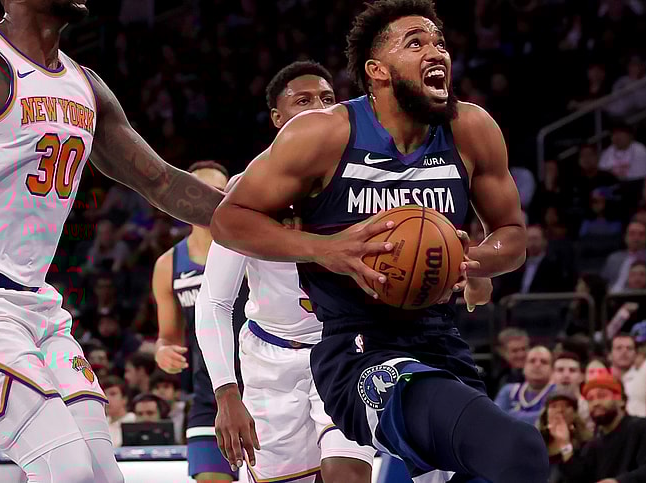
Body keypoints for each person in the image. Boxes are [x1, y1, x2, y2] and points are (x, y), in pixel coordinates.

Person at [0, 1, 224, 481]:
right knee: (66, 470)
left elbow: (160, 183)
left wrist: (262, 218)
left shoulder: (87, 86)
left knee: (103, 475)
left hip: (36, 306)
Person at [210, 1, 548, 481]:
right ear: (377, 71)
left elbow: (512, 236)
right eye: (416, 43)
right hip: (359, 350)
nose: (437, 52)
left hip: (440, 341)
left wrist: (471, 260)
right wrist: (327, 250)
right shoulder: (324, 135)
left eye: (440, 43)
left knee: (510, 466)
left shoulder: (470, 129)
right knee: (517, 448)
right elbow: (229, 220)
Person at [196, 61, 382, 483]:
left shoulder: (363, 182)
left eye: (328, 99)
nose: (319, 108)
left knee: (348, 476)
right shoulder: (247, 190)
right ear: (278, 119)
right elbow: (215, 299)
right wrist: (226, 393)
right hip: (270, 361)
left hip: (343, 348)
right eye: (304, 101)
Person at [153, 161, 234, 481]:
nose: (213, 198)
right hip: (208, 395)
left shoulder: (252, 247)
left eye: (221, 192)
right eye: (203, 191)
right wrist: (163, 352)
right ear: (183, 199)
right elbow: (168, 337)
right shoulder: (168, 264)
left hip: (260, 386)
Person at [551, 375, 646, 482]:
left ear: (620, 400)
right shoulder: (593, 445)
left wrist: (619, 482)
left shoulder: (644, 428)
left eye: (602, 395)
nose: (596, 403)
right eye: (590, 399)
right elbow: (578, 478)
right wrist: (564, 443)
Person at [495, 346, 555, 425]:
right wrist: (539, 415)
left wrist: (511, 414)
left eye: (544, 362)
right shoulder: (509, 391)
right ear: (524, 367)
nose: (537, 365)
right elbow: (496, 418)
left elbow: (550, 419)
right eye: (532, 361)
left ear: (552, 369)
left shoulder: (557, 393)